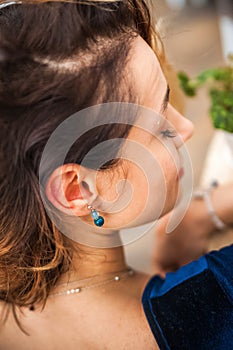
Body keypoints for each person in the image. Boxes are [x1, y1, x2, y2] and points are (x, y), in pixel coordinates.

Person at [0, 1, 232, 350]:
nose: (184, 128)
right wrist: (207, 211)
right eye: (160, 128)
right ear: (78, 190)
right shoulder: (213, 303)